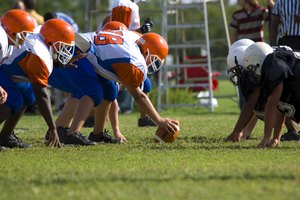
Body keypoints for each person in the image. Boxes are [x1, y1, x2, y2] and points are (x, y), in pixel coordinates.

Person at [79, 30, 179, 143]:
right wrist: (159, 120)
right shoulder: (136, 61)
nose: (154, 65)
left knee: (110, 90)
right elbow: (139, 97)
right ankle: (69, 131)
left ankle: (97, 133)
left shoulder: (134, 38)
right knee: (91, 91)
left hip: (82, 44)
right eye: (155, 62)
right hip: (79, 51)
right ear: (147, 53)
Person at [0, 10, 75, 148]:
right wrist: (53, 128)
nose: (65, 50)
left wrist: (60, 61)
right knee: (14, 99)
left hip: (8, 67)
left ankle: (5, 136)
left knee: (28, 95)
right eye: (63, 46)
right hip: (3, 67)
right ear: (51, 41)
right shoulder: (39, 55)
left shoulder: (43, 33)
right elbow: (42, 95)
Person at [226, 41, 300, 148]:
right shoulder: (273, 63)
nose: (250, 72)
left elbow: (271, 105)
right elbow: (280, 107)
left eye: (251, 68)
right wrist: (275, 138)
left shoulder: (274, 67)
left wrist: (266, 138)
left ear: (259, 61)